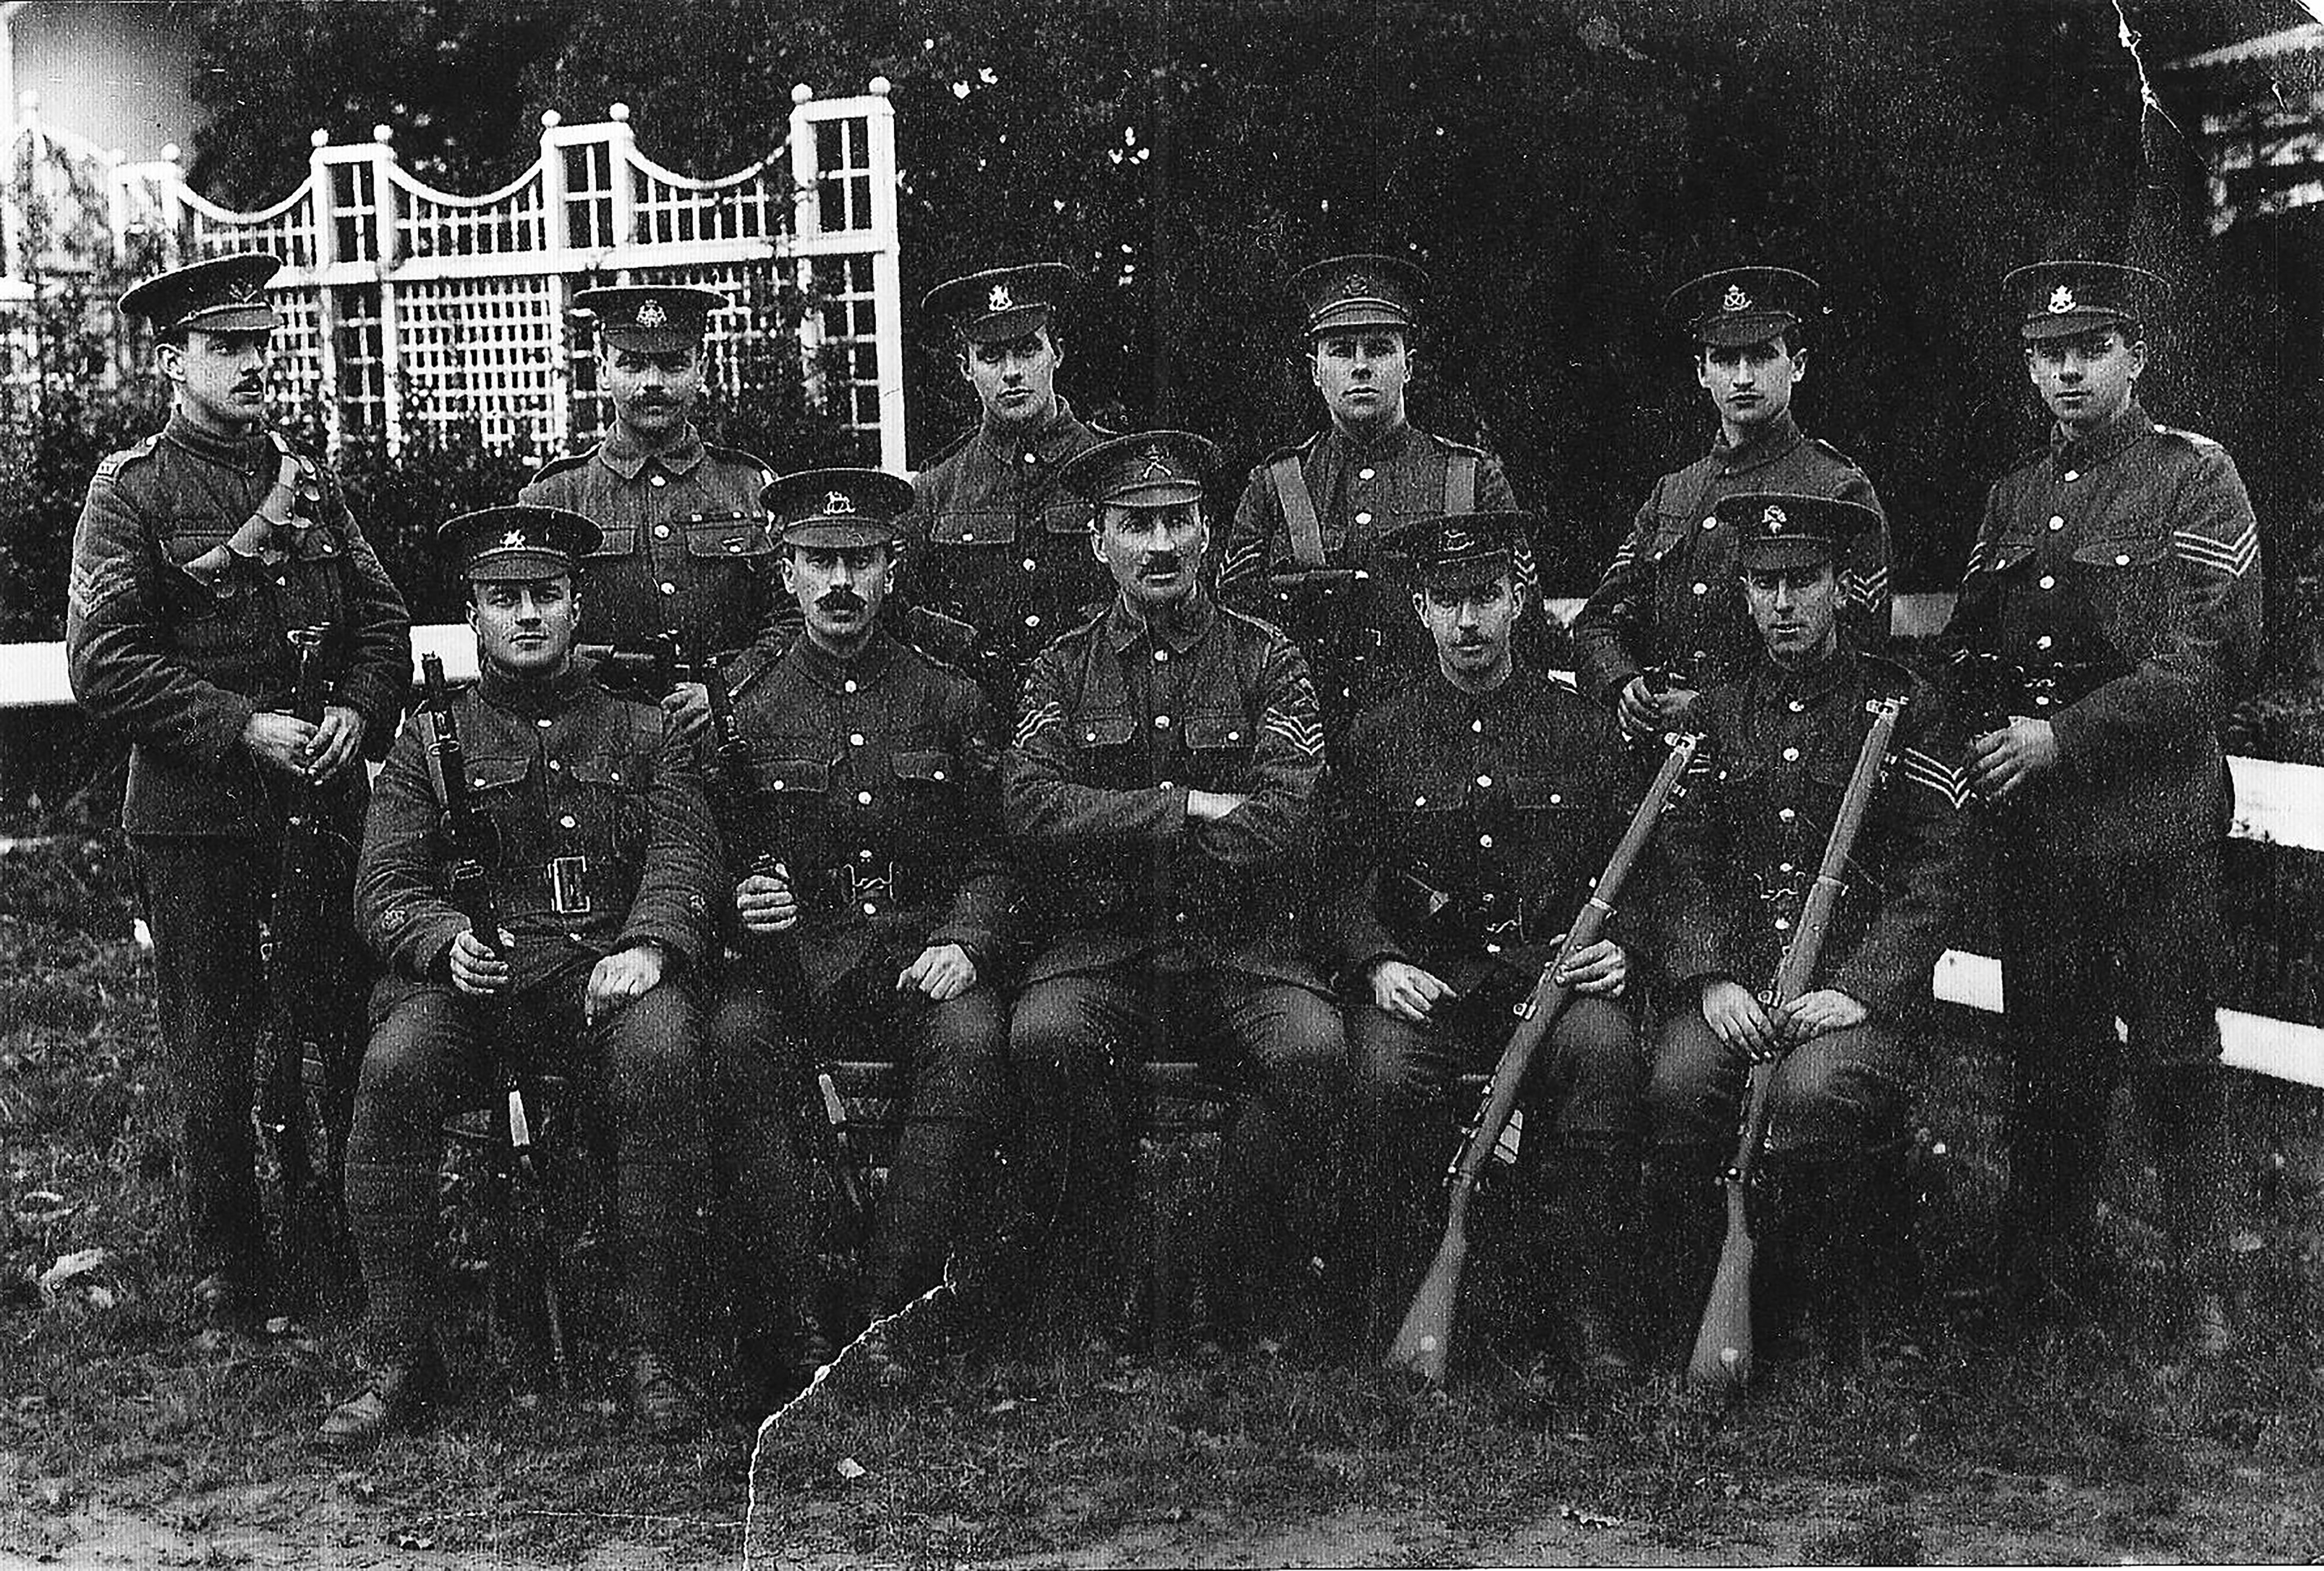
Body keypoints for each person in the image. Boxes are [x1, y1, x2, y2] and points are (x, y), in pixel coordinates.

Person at [320, 505, 723, 1448]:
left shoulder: (644, 726)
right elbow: (384, 883)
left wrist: (648, 947)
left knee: (662, 1053)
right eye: (505, 599)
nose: (528, 615)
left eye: (546, 594)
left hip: (604, 975)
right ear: (474, 615)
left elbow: (685, 855)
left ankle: (653, 1349)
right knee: (395, 1069)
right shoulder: (432, 736)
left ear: (579, 606)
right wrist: (443, 939)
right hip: (478, 984)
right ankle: (399, 1356)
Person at [64, 251, 412, 1333]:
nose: (254, 364)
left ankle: (351, 1237)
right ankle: (229, 1262)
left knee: (345, 1023)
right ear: (172, 363)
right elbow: (104, 663)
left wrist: (356, 708)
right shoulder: (132, 493)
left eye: (261, 344)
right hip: (196, 817)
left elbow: (383, 622)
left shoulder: (309, 481)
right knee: (212, 1042)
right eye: (226, 347)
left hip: (319, 805)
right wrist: (238, 726)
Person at [1949, 261, 2263, 1356]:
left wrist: (2063, 736)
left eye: (2090, 349)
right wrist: (1973, 722)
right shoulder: (2013, 495)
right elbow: (1973, 644)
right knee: (2050, 1057)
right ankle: (2042, 1282)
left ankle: (2201, 1289)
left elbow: (2211, 658)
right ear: (2028, 367)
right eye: (2048, 354)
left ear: (2136, 354)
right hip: (2042, 829)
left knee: (2174, 1053)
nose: (2069, 371)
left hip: (2153, 816)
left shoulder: (2193, 475)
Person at [1004, 431, 1345, 1343]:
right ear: (1098, 541)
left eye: (1177, 521)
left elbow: (1291, 814)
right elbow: (1031, 807)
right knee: (1046, 1036)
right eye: (1135, 524)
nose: (1159, 544)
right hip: (1107, 949)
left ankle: (1229, 1280)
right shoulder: (1060, 668)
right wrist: (1185, 805)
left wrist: (1113, 826)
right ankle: (1111, 1274)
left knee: (1311, 1050)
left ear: (1205, 533)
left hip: (1242, 947)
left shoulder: (1267, 658)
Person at [709, 467, 1014, 1397]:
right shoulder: (744, 706)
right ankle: (797, 1317)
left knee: (971, 1039)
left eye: (861, 561)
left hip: (921, 950)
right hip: (797, 961)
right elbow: (703, 848)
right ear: (786, 573)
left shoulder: (949, 697)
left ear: (892, 567)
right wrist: (740, 898)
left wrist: (967, 940)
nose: (841, 583)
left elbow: (998, 851)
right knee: (737, 1039)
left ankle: (888, 1313)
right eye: (818, 561)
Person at [1321, 510, 1645, 1378]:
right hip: (1428, 985)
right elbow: (1337, 875)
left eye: (1487, 597)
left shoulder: (1581, 728)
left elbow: (1639, 865)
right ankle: (1398, 1297)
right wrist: (1377, 960)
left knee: (1606, 1055)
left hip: (1551, 982)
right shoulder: (1378, 733)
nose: (1468, 621)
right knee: (1387, 1075)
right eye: (1449, 600)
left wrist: (1621, 947)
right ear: (1421, 608)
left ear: (1518, 600)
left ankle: (1588, 1307)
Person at [1647, 492, 1963, 1368]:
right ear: (1744, 592)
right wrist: (1712, 978)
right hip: (1738, 990)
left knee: (1814, 1094)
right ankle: (1693, 1304)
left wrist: (1858, 990)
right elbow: (1680, 859)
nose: (1784, 603)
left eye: (1805, 580)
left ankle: (1853, 1307)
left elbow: (1935, 871)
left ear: (1840, 586)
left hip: (1851, 996)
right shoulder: (1716, 712)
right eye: (1765, 583)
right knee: (1679, 1082)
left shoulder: (1902, 707)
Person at [1215, 253, 1540, 746]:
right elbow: (1233, 636)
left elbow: (1524, 628)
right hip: (1308, 745)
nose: (1361, 366)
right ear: (1315, 371)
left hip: (1440, 746)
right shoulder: (1276, 485)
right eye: (1342, 350)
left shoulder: (1469, 478)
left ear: (1409, 366)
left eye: (1380, 349)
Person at [1573, 266, 1890, 742]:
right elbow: (1598, 622)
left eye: (1761, 356)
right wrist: (1622, 684)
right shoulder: (1674, 493)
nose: (1743, 377)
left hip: (1779, 756)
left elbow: (1861, 664)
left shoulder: (1837, 488)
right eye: (1725, 359)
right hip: (1663, 754)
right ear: (1702, 372)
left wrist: (1712, 713)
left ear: (1798, 365)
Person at [519, 283, 784, 736]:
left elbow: (792, 617)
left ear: (701, 370)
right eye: (633, 364)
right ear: (603, 370)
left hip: (730, 735)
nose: (653, 382)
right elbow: (520, 637)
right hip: (600, 743)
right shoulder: (555, 499)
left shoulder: (751, 488)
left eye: (674, 363)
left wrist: (726, 691)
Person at [901, 262, 1111, 702]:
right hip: (977, 716)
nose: (1012, 372)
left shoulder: (1109, 470)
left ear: (1057, 353)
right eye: (992, 356)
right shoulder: (936, 490)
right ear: (966, 368)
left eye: (1028, 349)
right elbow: (902, 612)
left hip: (1095, 706)